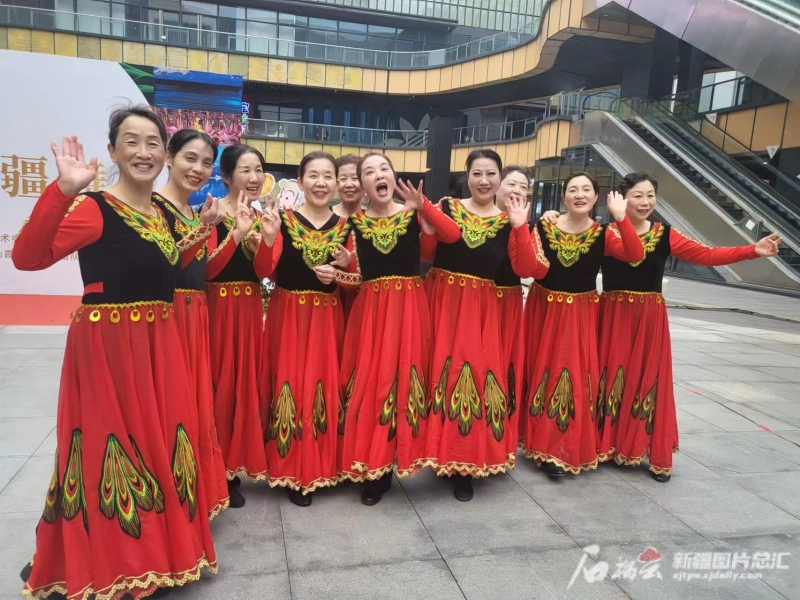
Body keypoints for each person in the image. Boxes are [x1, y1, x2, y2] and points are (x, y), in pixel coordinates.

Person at [14, 107, 217, 599]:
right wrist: (62, 191)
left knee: (159, 444)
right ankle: (113, 562)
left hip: (159, 342)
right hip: (108, 347)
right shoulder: (94, 208)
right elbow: (27, 258)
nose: (143, 152)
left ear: (163, 154)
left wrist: (201, 234)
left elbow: (167, 265)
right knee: (112, 449)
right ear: (112, 151)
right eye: (131, 141)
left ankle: (159, 554)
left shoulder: (160, 215)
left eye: (153, 143)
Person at [596, 172, 781, 481]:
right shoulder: (604, 234)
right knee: (609, 376)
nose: (645, 202)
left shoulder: (665, 234)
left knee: (647, 380)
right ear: (621, 198)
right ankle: (606, 445)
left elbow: (706, 255)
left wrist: (752, 250)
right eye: (638, 195)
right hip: (612, 316)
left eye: (650, 195)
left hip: (649, 319)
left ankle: (645, 448)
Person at [332, 152, 461, 506]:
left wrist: (424, 207)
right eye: (369, 172)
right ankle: (376, 470)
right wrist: (344, 267)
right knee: (373, 386)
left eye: (384, 169)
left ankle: (403, 457)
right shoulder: (354, 223)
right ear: (363, 184)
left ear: (393, 175)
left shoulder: (412, 214)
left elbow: (448, 237)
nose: (378, 175)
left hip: (409, 311)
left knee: (406, 384)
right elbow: (354, 280)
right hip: (371, 315)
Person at [421, 150, 537, 501]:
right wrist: (426, 227)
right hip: (441, 304)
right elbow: (426, 254)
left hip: (480, 311)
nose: (484, 181)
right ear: (467, 176)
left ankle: (463, 463)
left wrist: (521, 226)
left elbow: (525, 268)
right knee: (436, 374)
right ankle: (431, 450)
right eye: (477, 173)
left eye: (491, 174)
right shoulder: (447, 207)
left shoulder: (509, 220)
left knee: (469, 377)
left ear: (499, 178)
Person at [520, 172, 644, 478]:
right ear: (563, 197)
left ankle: (558, 450)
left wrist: (621, 218)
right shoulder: (545, 226)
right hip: (544, 309)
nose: (579, 194)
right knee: (541, 372)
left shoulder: (604, 234)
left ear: (596, 197)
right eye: (573, 189)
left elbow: (634, 255)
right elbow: (530, 267)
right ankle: (538, 443)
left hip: (580, 313)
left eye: (586, 189)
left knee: (573, 377)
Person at [258, 152, 353, 506]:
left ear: (337, 185)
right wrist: (268, 239)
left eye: (328, 176)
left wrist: (342, 272)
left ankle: (321, 466)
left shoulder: (348, 226)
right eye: (313, 175)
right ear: (300, 181)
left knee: (321, 385)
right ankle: (290, 469)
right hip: (288, 316)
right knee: (289, 384)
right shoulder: (282, 220)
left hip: (327, 318)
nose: (321, 183)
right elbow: (265, 271)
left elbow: (358, 280)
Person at [153, 129, 232, 519]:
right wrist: (204, 229)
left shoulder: (193, 211)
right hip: (169, 316)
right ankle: (170, 503)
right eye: (190, 158)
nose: (198, 169)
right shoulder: (154, 208)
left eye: (205, 162)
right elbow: (165, 265)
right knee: (171, 408)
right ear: (169, 157)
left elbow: (206, 271)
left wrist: (233, 235)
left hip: (196, 313)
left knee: (196, 405)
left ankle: (196, 495)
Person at [206, 144, 271, 506]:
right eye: (245, 170)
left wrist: (266, 242)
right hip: (217, 307)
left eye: (258, 169)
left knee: (244, 386)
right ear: (228, 176)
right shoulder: (213, 212)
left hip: (248, 309)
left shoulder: (263, 217)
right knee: (220, 385)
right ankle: (216, 470)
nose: (254, 177)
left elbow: (265, 271)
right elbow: (208, 270)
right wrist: (236, 235)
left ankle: (233, 468)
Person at [493, 166, 530, 457]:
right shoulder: (473, 216)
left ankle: (500, 441)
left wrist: (521, 227)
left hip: (507, 304)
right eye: (511, 184)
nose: (517, 190)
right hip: (474, 303)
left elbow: (527, 269)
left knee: (503, 370)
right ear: (497, 185)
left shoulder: (528, 226)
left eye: (523, 186)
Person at [332, 154, 364, 322]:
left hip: (364, 299)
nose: (349, 184)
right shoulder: (325, 217)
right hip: (330, 297)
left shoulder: (373, 218)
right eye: (343, 179)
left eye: (355, 178)